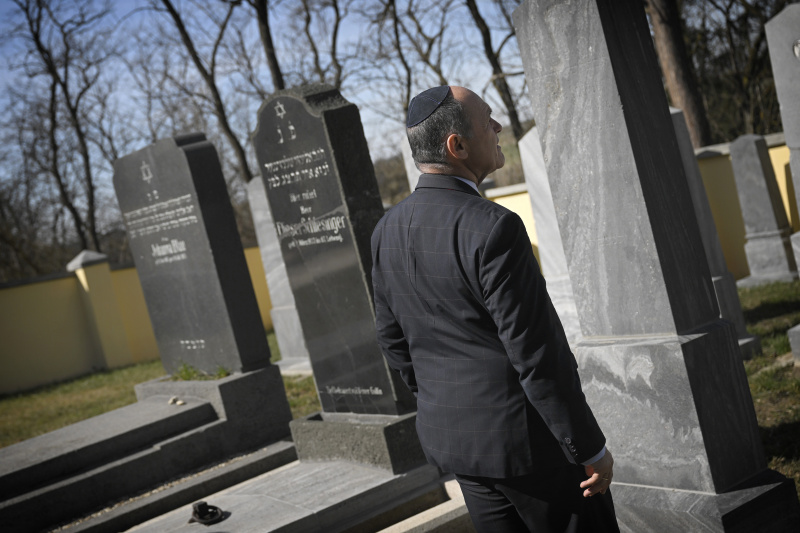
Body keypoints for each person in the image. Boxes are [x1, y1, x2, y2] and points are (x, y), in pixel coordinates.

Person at [370, 86, 619, 532]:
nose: (499, 126)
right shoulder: (494, 228)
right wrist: (588, 448)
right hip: (531, 451)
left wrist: (446, 402)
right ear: (457, 146)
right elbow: (538, 356)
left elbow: (394, 344)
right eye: (487, 119)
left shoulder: (386, 230)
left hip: (459, 447)